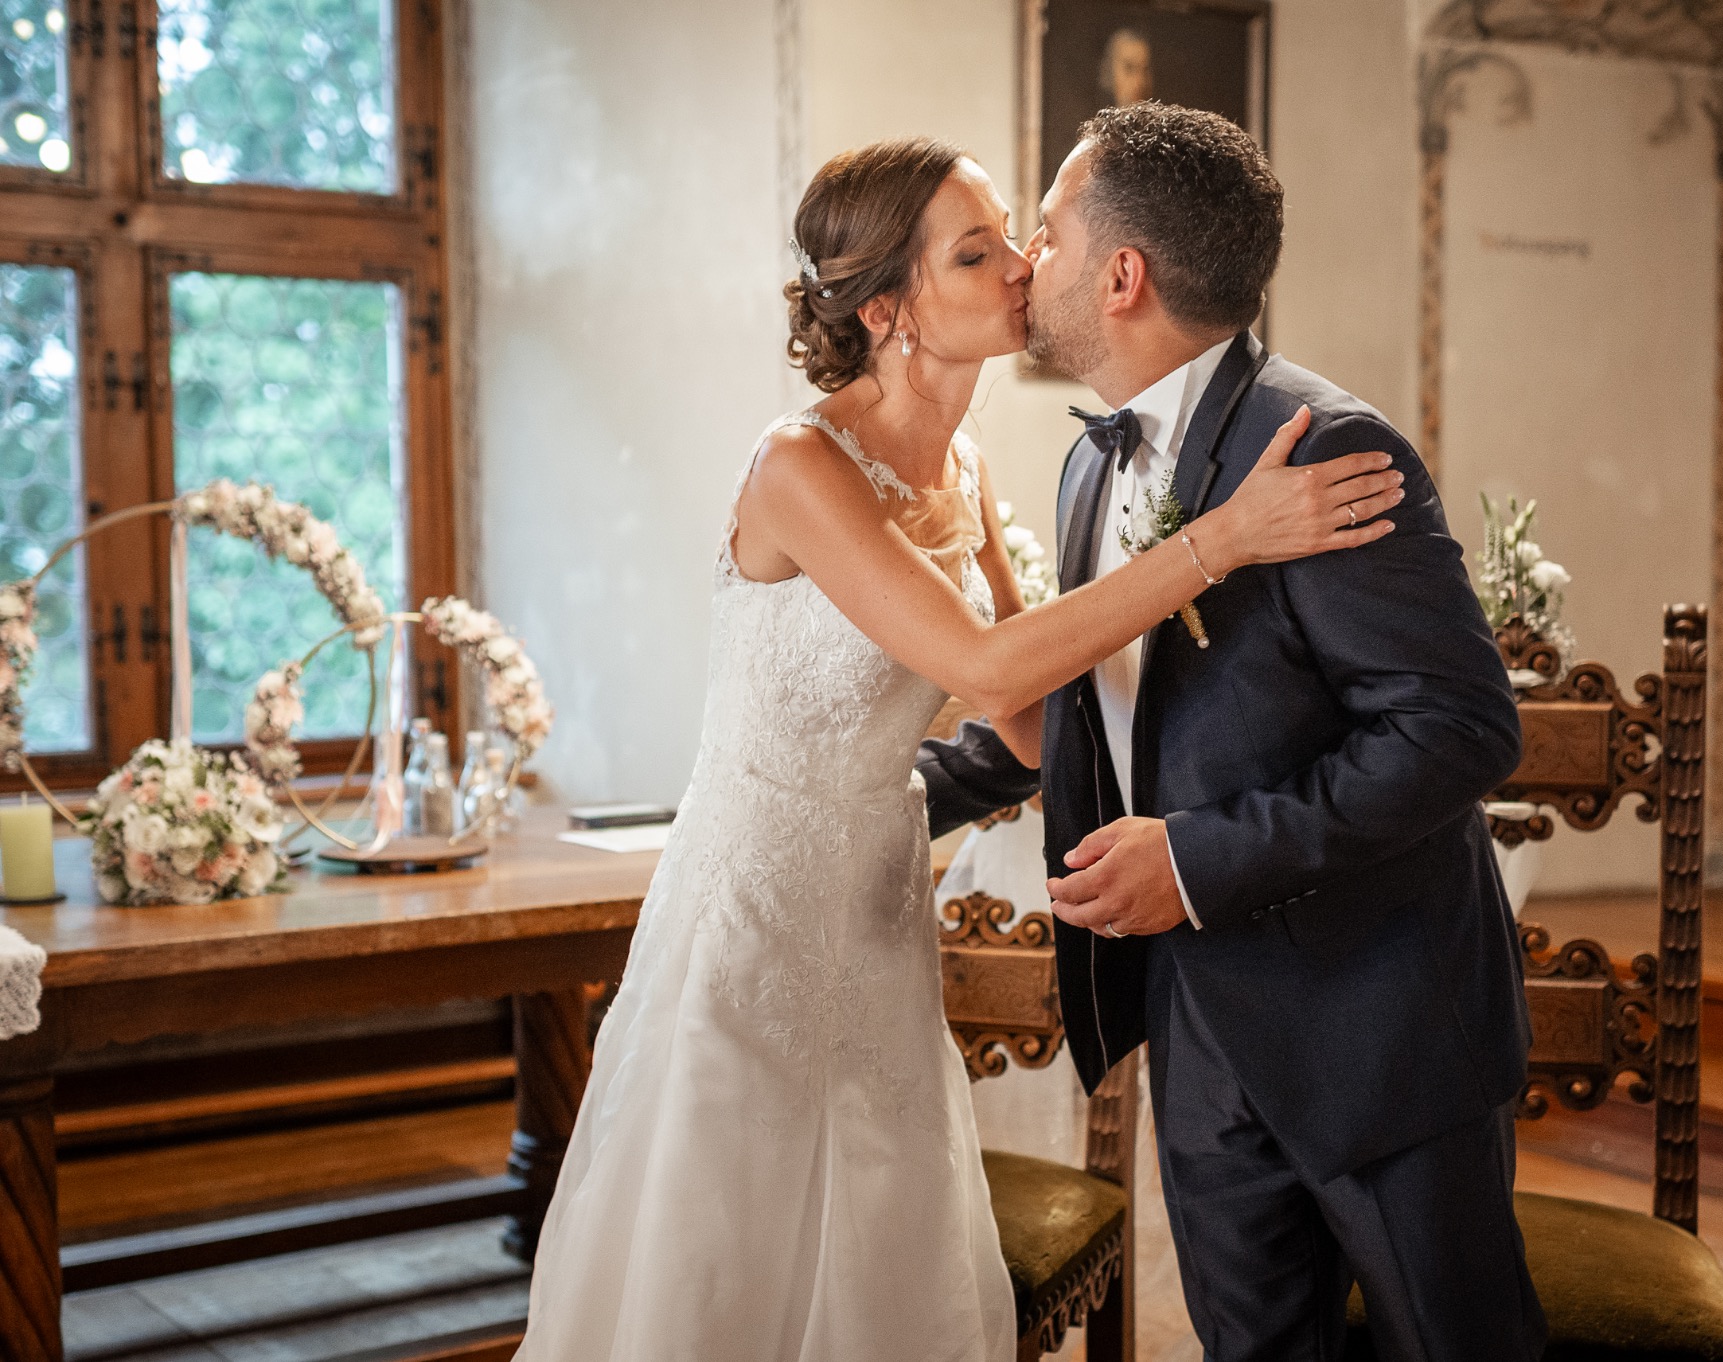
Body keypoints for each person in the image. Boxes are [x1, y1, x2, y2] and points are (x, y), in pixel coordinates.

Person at [512, 135, 1405, 1361]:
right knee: (726, 1252)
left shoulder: (973, 470)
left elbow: (1027, 722)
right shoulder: (798, 468)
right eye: (978, 249)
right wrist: (1220, 544)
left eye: (1016, 235)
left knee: (878, 1246)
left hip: (878, 908)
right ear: (888, 306)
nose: (1027, 262)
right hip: (755, 908)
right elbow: (982, 663)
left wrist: (1192, 715)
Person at [920, 103, 1546, 1362]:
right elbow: (1103, 709)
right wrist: (872, 797)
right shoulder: (1089, 466)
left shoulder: (1321, 447)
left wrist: (1196, 859)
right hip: (1201, 1027)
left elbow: (1457, 730)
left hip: (1376, 1031)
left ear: (1122, 274)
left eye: (1041, 231)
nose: (1026, 262)